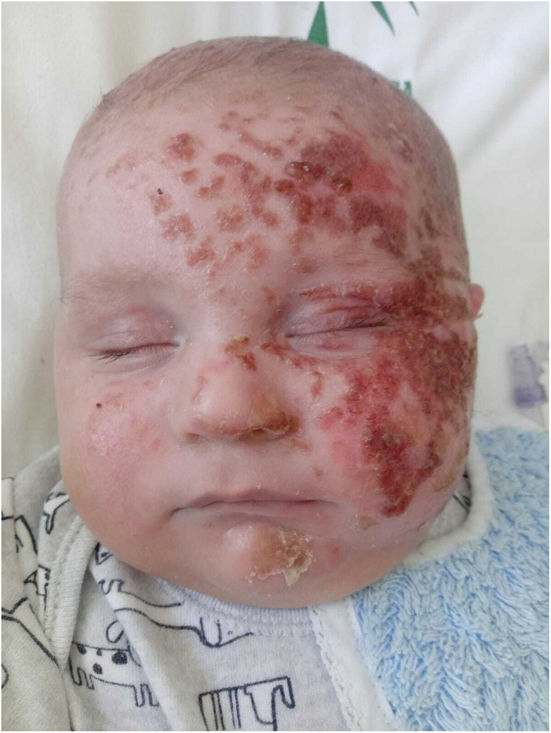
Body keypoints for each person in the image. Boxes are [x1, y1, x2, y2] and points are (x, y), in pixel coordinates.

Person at [2, 37, 547, 731]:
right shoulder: (28, 566)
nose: (227, 408)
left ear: (462, 337)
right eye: (130, 343)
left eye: (337, 323)